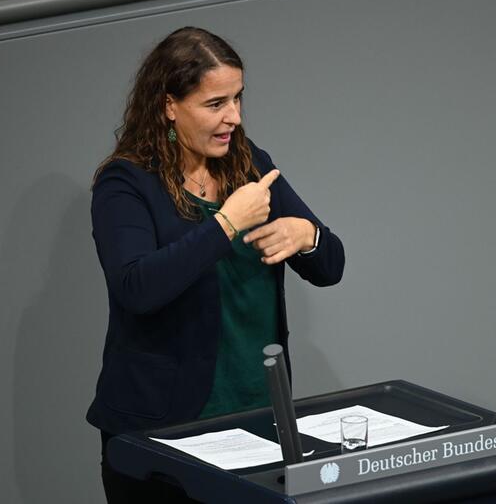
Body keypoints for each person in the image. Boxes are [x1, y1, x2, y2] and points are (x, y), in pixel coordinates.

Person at [87, 26, 345, 502]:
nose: (234, 117)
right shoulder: (125, 185)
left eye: (238, 99)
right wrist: (227, 224)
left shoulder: (250, 164)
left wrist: (307, 237)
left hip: (259, 420)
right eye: (215, 104)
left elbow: (331, 266)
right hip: (162, 432)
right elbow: (137, 287)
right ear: (169, 106)